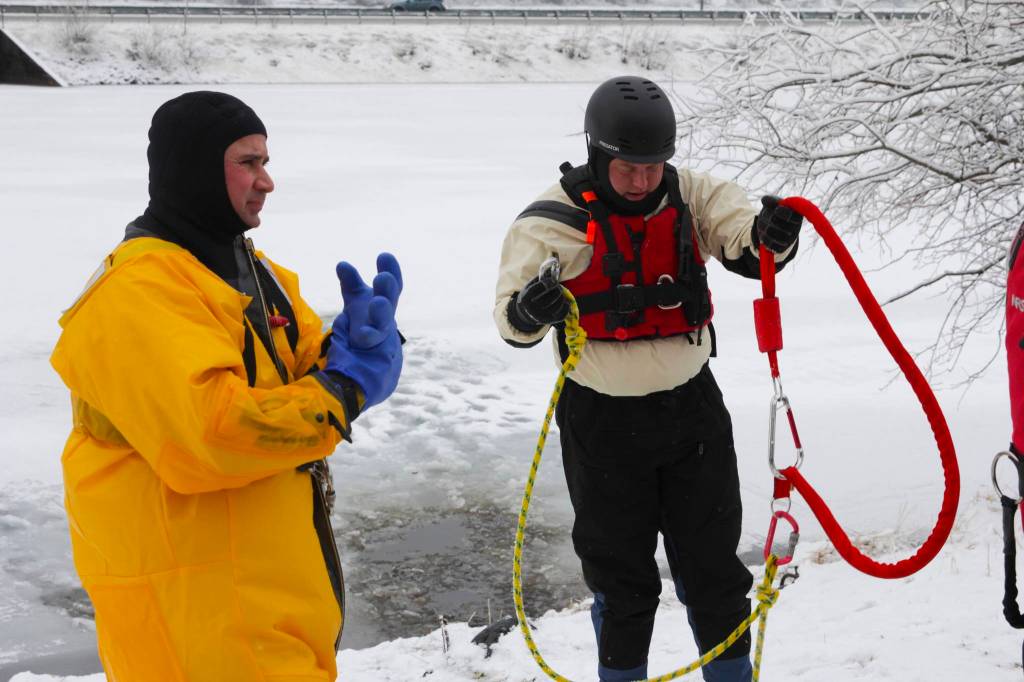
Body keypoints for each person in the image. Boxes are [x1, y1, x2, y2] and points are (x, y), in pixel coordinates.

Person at [50, 91, 403, 681]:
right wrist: (343, 390)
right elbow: (213, 434)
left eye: (265, 162)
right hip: (195, 612)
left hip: (261, 598)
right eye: (249, 162)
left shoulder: (243, 267)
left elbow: (292, 363)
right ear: (194, 168)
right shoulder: (140, 291)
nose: (267, 182)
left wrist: (353, 346)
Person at [493, 76, 802, 682]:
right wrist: (531, 310)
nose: (643, 179)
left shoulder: (692, 196)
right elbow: (510, 321)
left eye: (654, 166)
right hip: (602, 422)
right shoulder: (549, 223)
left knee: (714, 574)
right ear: (598, 155)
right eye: (629, 168)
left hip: (692, 414)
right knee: (622, 581)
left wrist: (773, 239)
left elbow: (745, 244)